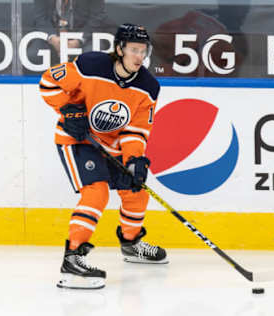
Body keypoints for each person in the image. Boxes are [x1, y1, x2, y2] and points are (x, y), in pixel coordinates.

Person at [39, 23, 168, 290]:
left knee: (136, 190)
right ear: (119, 49)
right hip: (77, 140)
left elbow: (135, 130)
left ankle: (131, 244)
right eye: (133, 50)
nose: (139, 57)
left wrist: (134, 160)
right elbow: (48, 83)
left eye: (143, 51)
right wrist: (69, 110)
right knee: (96, 193)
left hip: (112, 146)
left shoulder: (148, 87)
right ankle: (73, 259)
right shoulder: (91, 65)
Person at [28, 0, 109, 66]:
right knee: (34, 55)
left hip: (86, 37)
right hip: (52, 37)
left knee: (91, 57)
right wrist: (52, 38)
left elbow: (97, 18)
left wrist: (78, 41)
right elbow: (40, 18)